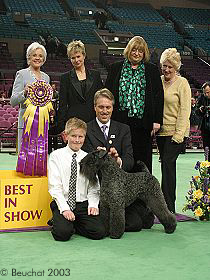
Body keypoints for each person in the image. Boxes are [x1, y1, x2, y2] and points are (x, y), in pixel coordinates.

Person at [83, 88, 155, 232]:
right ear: (94, 107)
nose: (104, 111)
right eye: (101, 107)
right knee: (101, 227)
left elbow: (130, 159)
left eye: (108, 107)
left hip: (120, 191)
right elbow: (86, 161)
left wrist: (118, 161)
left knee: (134, 225)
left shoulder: (123, 129)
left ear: (112, 108)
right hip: (96, 188)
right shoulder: (86, 129)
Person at [105, 36, 164, 173]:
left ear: (144, 54)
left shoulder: (151, 70)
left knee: (142, 160)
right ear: (128, 50)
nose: (137, 53)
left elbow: (158, 97)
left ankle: (144, 191)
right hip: (120, 122)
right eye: (134, 50)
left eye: (140, 51)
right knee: (121, 156)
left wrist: (157, 120)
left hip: (143, 123)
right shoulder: (115, 68)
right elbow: (107, 94)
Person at [48, 117, 106, 241]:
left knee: (99, 232)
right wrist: (64, 209)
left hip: (83, 204)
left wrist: (93, 204)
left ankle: (74, 224)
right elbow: (55, 187)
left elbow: (93, 186)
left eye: (81, 137)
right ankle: (61, 222)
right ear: (66, 136)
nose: (77, 140)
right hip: (64, 202)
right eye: (74, 136)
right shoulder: (56, 156)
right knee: (62, 234)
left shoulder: (88, 158)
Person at [156, 48, 191, 213]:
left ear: (176, 67)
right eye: (164, 66)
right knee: (165, 167)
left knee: (168, 167)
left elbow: (185, 110)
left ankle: (169, 209)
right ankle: (165, 205)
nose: (167, 69)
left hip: (175, 133)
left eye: (170, 66)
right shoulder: (158, 80)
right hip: (160, 133)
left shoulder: (182, 83)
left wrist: (178, 135)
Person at [10, 42, 50, 152]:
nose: (37, 58)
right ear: (29, 57)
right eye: (34, 55)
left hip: (42, 124)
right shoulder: (21, 74)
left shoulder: (47, 78)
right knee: (25, 159)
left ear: (44, 59)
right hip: (26, 123)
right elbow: (13, 101)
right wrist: (24, 92)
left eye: (40, 56)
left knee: (40, 158)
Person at [57, 40, 103, 134]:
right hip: (73, 123)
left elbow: (101, 99)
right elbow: (62, 104)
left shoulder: (95, 75)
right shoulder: (65, 78)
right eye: (73, 58)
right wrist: (62, 127)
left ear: (84, 55)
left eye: (78, 56)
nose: (76, 60)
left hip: (93, 122)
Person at [196, 81, 210, 160]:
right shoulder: (201, 98)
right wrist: (200, 110)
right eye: (205, 93)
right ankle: (207, 165)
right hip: (205, 128)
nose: (206, 95)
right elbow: (197, 112)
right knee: (206, 147)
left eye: (208, 92)